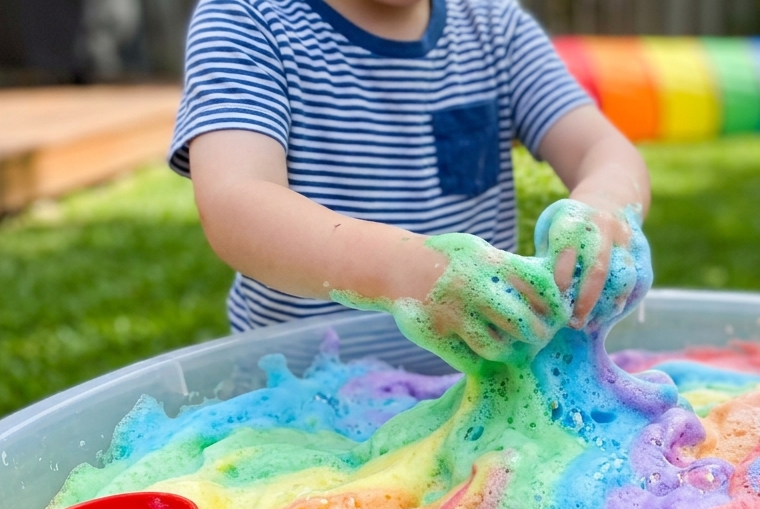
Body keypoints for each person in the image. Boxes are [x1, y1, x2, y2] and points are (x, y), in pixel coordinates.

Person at [170, 0, 649, 358]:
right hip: (305, 398)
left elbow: (601, 148)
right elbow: (237, 203)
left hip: (481, 384)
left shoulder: (492, 26)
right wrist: (410, 271)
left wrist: (603, 208)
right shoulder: (247, 20)